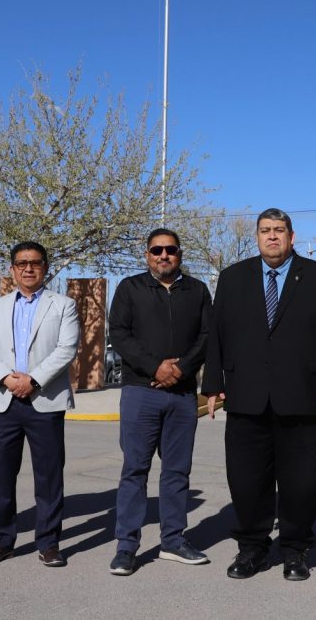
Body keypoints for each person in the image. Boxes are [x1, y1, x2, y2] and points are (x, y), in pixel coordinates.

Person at [202, 208, 316, 582]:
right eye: (265, 230)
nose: (272, 236)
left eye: (279, 230)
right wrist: (212, 383)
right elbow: (217, 334)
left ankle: (296, 549)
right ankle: (252, 548)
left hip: (303, 396)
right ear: (257, 237)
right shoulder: (232, 278)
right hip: (246, 396)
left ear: (291, 237)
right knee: (247, 480)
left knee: (304, 480)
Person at [107, 227, 212, 576]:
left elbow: (207, 336)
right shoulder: (130, 288)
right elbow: (119, 334)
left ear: (179, 253)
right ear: (147, 255)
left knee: (177, 470)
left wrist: (180, 369)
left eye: (170, 249)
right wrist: (155, 367)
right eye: (156, 250)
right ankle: (126, 546)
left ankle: (173, 541)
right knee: (135, 470)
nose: (163, 255)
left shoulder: (197, 290)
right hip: (141, 392)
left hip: (182, 395)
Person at [0, 241, 79, 567]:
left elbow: (67, 348)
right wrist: (7, 379)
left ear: (45, 267)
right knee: (0, 475)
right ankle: (1, 541)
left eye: (35, 262)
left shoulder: (63, 305)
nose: (28, 268)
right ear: (12, 269)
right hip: (5, 402)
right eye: (22, 263)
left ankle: (48, 543)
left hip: (44, 400)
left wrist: (32, 380)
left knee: (48, 476)